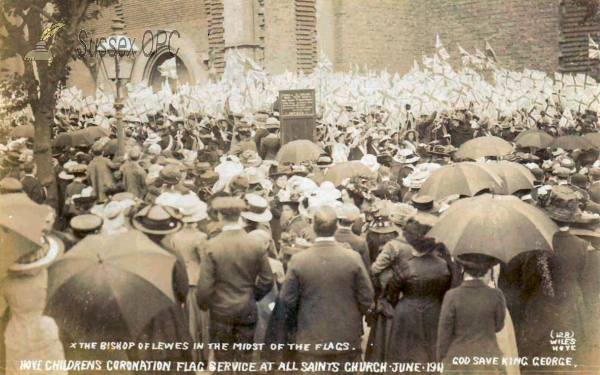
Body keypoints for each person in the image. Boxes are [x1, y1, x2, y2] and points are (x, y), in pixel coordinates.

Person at [279, 206, 374, 372]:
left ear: (313, 227)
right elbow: (367, 297)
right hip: (346, 336)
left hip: (311, 335)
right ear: (336, 226)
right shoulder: (352, 258)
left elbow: (287, 300)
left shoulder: (299, 259)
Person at [196, 197, 274, 365]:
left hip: (221, 309)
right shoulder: (255, 243)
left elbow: (204, 286)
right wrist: (251, 296)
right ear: (240, 216)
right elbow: (267, 280)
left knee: (222, 358)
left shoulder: (211, 245)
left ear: (220, 216)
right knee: (244, 358)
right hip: (247, 307)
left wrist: (206, 304)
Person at [385, 217, 452, 367]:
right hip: (434, 310)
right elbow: (446, 289)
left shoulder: (406, 266)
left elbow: (392, 293)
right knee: (430, 353)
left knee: (404, 354)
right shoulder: (443, 265)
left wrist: (401, 302)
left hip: (406, 312)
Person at [437, 254, 507, 375]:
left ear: (463, 268)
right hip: (488, 360)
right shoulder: (496, 295)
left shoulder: (452, 296)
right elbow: (498, 326)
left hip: (458, 361)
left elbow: (444, 335)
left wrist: (442, 361)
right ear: (487, 270)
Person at [160, 193, 209, 362]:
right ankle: (201, 356)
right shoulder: (200, 237)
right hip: (196, 279)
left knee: (186, 319)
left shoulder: (174, 236)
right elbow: (204, 263)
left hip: (180, 279)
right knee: (200, 321)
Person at [334, 203, 370, 270]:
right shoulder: (361, 242)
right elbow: (365, 269)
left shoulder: (331, 238)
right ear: (354, 221)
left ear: (337, 220)